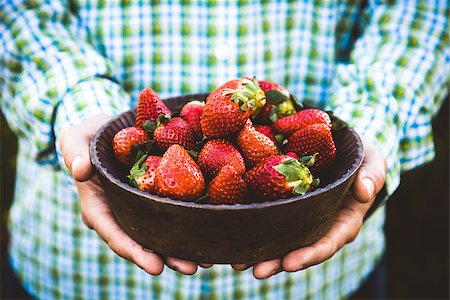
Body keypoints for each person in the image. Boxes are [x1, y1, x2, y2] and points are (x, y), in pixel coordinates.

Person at [1, 0, 448, 299]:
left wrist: (372, 118)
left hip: (323, 276)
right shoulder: (192, 142)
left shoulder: (257, 147)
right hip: (82, 273)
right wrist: (78, 105)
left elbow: (418, 13)